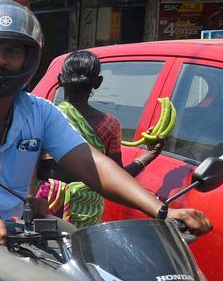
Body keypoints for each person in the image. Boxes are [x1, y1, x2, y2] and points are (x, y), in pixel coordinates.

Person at [0, 0, 211, 243]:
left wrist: (162, 210)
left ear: (29, 59)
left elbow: (91, 164)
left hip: (10, 241)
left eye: (12, 51)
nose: (0, 61)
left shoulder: (42, 111)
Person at [35, 51, 163, 228]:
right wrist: (149, 155)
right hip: (89, 213)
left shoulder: (46, 117)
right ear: (98, 82)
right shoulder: (109, 124)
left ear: (59, 79)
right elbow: (118, 178)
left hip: (46, 207)